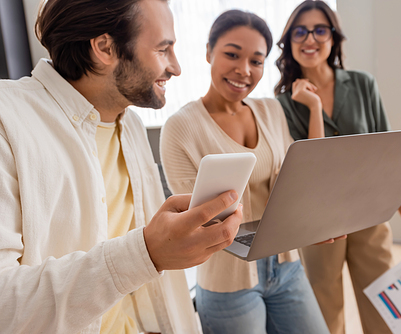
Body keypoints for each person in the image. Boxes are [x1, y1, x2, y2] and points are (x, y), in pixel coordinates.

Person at [0, 0, 244, 333]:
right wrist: (146, 253)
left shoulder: (129, 126)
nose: (175, 67)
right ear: (105, 47)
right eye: (163, 49)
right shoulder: (7, 119)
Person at [160, 9, 336, 334]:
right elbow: (197, 223)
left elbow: (301, 180)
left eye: (256, 61)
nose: (244, 70)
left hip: (287, 268)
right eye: (231, 54)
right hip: (228, 282)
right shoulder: (180, 128)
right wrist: (296, 227)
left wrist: (313, 223)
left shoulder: (271, 110)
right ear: (209, 52)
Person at [275, 1, 401, 333]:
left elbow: (390, 161)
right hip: (319, 227)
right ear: (289, 41)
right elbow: (311, 170)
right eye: (300, 31)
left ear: (333, 38)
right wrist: (314, 108)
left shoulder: (363, 85)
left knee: (385, 308)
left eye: (320, 30)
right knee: (325, 311)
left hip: (371, 213)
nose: (310, 39)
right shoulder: (283, 104)